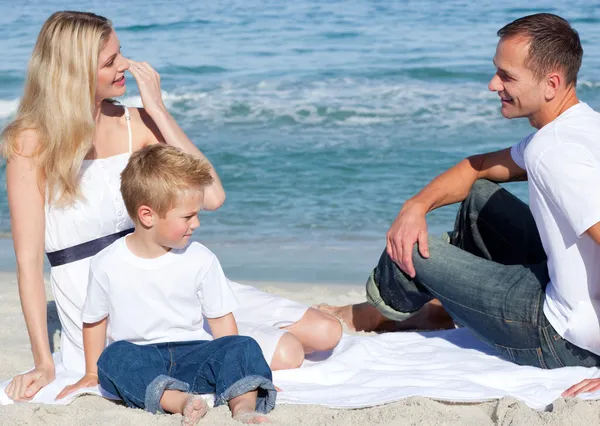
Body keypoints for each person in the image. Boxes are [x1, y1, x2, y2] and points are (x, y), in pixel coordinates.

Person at [2, 10, 341, 402]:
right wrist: (44, 361)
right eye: (110, 61)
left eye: (120, 53)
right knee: (290, 352)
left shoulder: (137, 123)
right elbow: (28, 264)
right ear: (74, 71)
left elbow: (212, 196)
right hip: (107, 295)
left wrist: (158, 111)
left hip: (169, 268)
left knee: (325, 331)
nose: (124, 65)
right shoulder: (30, 143)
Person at [320, 12, 600, 382]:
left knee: (410, 250)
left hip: (560, 338)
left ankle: (380, 311)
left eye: (507, 76)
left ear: (551, 83)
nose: (492, 84)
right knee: (478, 200)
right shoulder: (582, 125)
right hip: (567, 291)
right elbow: (479, 167)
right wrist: (415, 206)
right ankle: (436, 308)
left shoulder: (553, 154)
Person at [56, 144, 275, 424]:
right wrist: (90, 373)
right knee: (113, 359)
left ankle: (244, 406)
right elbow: (95, 321)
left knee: (243, 346)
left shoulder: (200, 258)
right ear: (148, 215)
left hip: (195, 353)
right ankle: (181, 401)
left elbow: (222, 322)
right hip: (142, 358)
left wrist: (242, 372)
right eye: (187, 216)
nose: (196, 223)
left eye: (196, 214)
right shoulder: (106, 262)